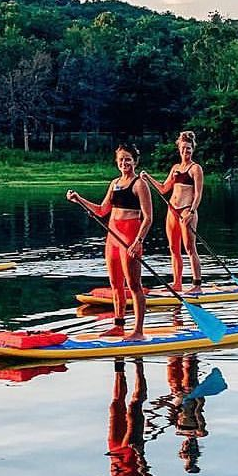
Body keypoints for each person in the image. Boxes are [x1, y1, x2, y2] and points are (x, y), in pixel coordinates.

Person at [67, 143, 152, 338]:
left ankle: (138, 331)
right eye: (121, 159)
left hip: (130, 237)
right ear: (117, 162)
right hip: (112, 237)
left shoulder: (139, 184)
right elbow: (101, 210)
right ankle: (119, 325)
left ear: (135, 161)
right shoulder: (114, 183)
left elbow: (148, 218)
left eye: (128, 159)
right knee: (115, 283)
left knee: (134, 284)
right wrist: (79, 199)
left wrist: (138, 241)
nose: (124, 163)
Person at [141, 130, 204, 293]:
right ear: (179, 149)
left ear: (193, 149)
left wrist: (191, 211)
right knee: (173, 248)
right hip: (172, 211)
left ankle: (197, 286)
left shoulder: (195, 169)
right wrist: (148, 178)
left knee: (190, 249)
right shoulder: (175, 168)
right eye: (183, 148)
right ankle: (177, 283)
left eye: (188, 148)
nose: (186, 151)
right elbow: (163, 189)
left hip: (186, 211)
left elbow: (198, 194)